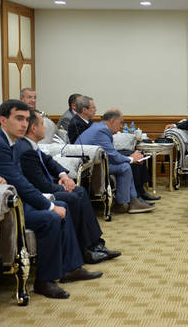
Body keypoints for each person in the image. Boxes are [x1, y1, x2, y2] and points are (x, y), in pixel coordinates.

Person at [0, 100, 102, 299]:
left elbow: (17, 180)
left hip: (10, 199)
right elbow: (20, 183)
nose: (24, 124)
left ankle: (70, 268)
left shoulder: (10, 141)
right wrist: (49, 206)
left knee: (62, 205)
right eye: (18, 119)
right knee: (51, 217)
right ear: (3, 120)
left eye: (26, 119)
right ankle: (44, 281)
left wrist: (51, 200)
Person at [14, 109, 121, 264]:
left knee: (79, 191)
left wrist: (64, 176)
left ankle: (96, 244)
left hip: (48, 187)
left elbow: (50, 162)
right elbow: (42, 185)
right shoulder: (25, 150)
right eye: (43, 124)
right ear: (34, 128)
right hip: (38, 195)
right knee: (74, 195)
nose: (45, 127)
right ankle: (87, 249)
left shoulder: (31, 145)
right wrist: (64, 187)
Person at [78, 109, 155, 214]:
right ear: (113, 121)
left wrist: (130, 158)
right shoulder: (101, 131)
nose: (121, 126)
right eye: (121, 122)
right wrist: (132, 159)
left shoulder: (99, 127)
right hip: (89, 167)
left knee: (125, 165)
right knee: (125, 167)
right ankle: (124, 203)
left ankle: (132, 201)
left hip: (95, 163)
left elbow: (110, 154)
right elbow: (113, 156)